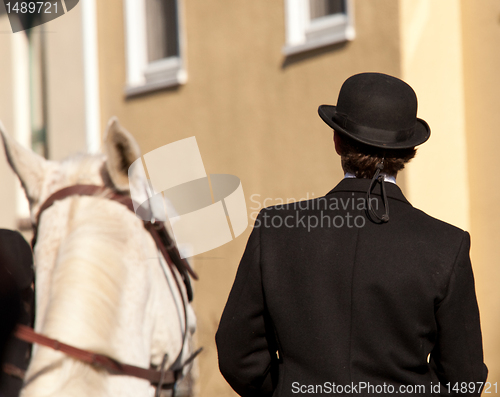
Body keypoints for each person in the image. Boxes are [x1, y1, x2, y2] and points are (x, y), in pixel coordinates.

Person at [215, 72, 488, 396]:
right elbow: (465, 377)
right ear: (409, 152)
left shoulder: (275, 229)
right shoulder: (446, 245)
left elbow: (237, 355)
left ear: (337, 141)